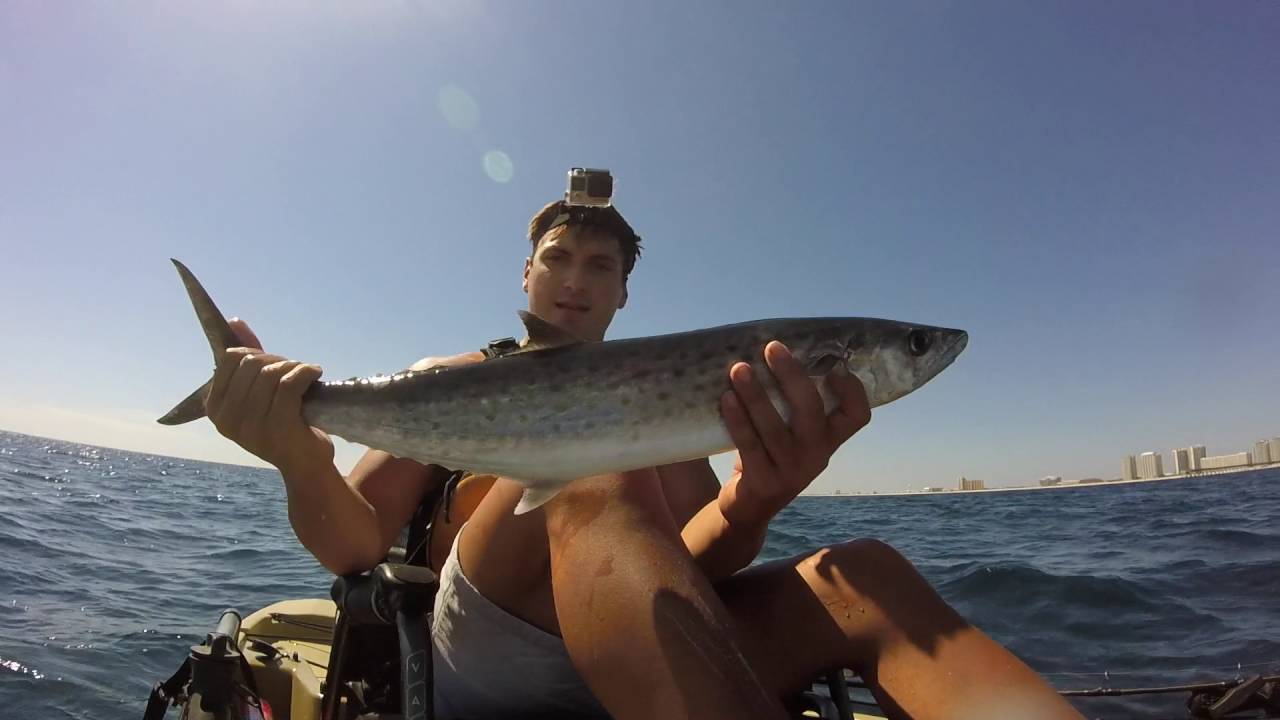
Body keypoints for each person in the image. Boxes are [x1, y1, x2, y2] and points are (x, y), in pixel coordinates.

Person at [205, 196, 1083, 720]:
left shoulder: (697, 409)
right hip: (485, 661)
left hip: (652, 659)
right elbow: (354, 545)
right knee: (598, 471)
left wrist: (752, 503)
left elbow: (691, 566)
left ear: (627, 291)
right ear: (526, 276)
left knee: (866, 574)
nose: (576, 279)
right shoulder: (446, 379)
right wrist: (299, 456)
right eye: (558, 258)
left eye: (601, 264)